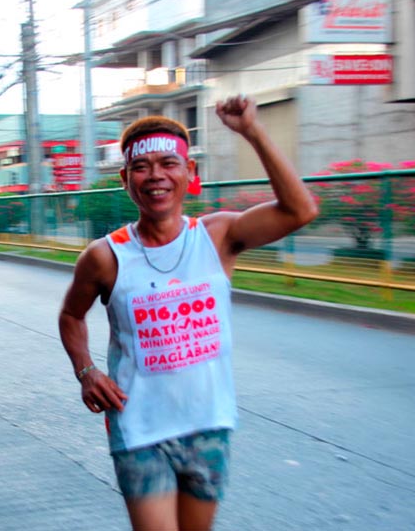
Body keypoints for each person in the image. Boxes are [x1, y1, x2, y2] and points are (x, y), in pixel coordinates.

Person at [58, 95, 318, 531]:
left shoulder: (218, 237)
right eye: (141, 167)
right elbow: (70, 315)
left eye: (168, 163)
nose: (155, 175)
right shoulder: (104, 256)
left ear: (189, 174)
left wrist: (252, 131)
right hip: (139, 429)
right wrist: (86, 371)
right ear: (125, 179)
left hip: (209, 424)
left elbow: (301, 210)